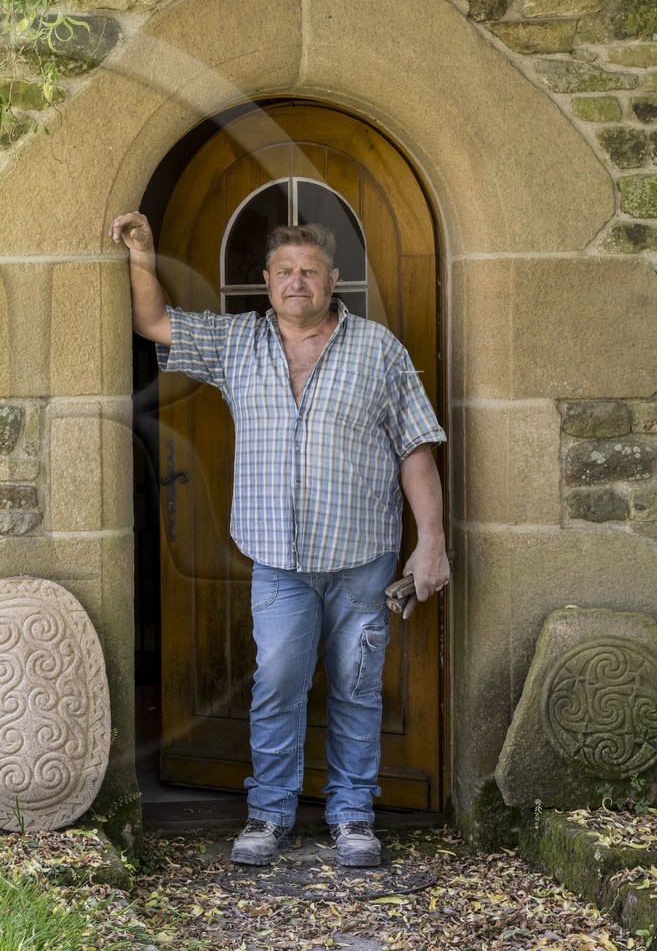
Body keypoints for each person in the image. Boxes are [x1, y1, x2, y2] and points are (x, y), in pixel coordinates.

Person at [111, 210, 450, 868]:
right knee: (277, 686)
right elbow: (151, 322)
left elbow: (416, 449)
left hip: (362, 559)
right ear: (267, 280)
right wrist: (142, 254)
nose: (298, 282)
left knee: (357, 689)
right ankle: (269, 813)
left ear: (333, 279)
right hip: (279, 561)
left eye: (310, 271)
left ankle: (353, 815)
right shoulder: (237, 341)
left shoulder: (378, 349)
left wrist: (430, 542)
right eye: (286, 271)